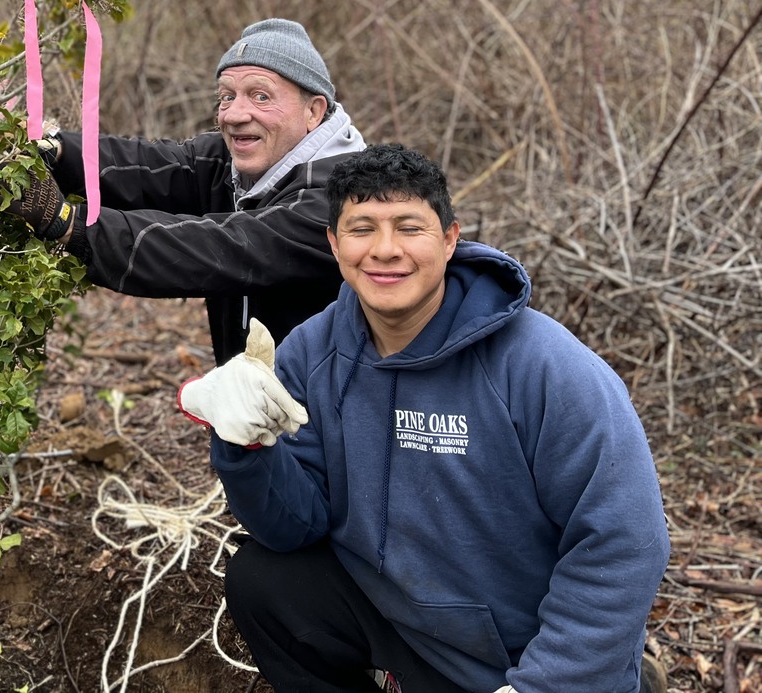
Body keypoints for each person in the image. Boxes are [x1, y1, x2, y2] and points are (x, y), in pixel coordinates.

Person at [178, 143, 670, 692]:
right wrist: (245, 447)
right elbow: (294, 526)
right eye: (362, 229)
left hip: (519, 660)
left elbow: (624, 541)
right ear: (334, 245)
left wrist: (549, 682)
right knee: (264, 582)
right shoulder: (314, 351)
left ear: (450, 239)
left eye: (409, 227)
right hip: (403, 632)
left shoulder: (544, 367)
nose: (385, 251)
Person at [0, 18, 364, 364]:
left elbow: (221, 248)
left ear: (314, 111)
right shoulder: (238, 159)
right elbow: (147, 166)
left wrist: (68, 223)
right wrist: (57, 149)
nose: (233, 114)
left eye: (260, 96)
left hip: (323, 418)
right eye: (226, 96)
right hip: (245, 411)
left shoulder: (341, 197)